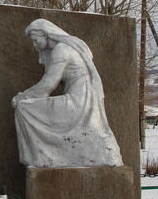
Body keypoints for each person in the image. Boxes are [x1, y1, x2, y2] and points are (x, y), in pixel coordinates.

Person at [12, 19, 124, 168]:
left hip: (79, 103)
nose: (34, 44)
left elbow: (48, 84)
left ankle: (43, 156)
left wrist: (24, 96)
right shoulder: (68, 47)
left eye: (35, 40)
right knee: (26, 107)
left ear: (45, 35)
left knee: (24, 108)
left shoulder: (61, 50)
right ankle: (44, 156)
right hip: (83, 98)